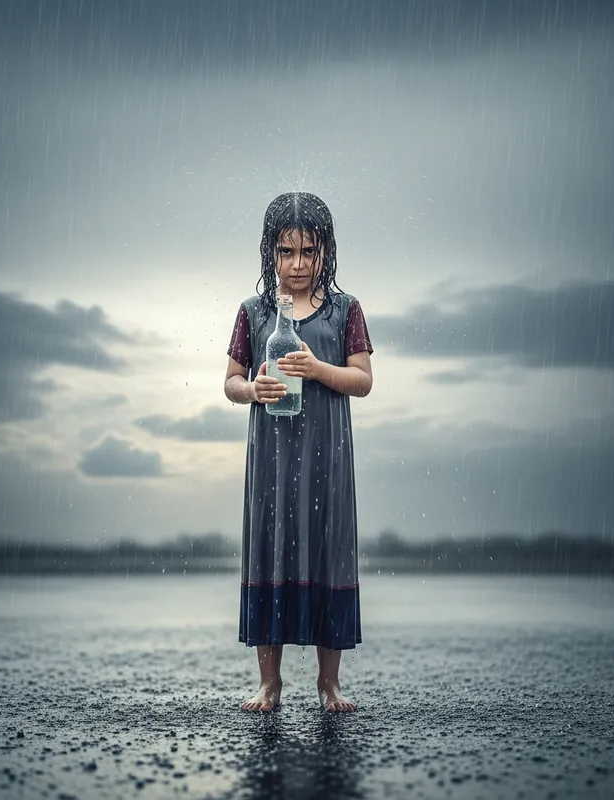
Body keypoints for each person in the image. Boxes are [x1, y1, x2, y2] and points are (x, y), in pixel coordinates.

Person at [224, 192, 374, 713]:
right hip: (271, 460)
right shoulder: (254, 312)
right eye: (286, 252)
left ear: (327, 251)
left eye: (309, 251)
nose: (298, 264)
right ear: (269, 252)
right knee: (272, 547)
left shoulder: (344, 311)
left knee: (328, 550)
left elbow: (362, 381)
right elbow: (230, 382)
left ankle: (328, 683)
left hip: (327, 460)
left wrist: (318, 371)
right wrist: (252, 390)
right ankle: (270, 683)